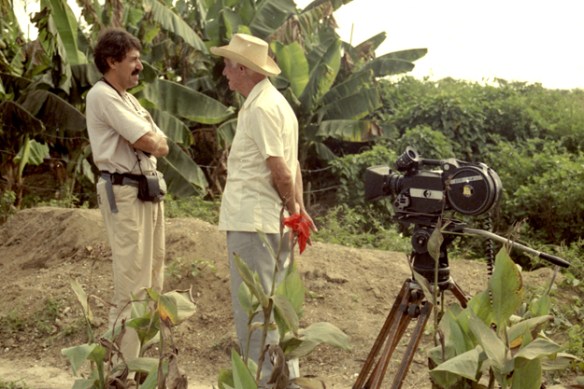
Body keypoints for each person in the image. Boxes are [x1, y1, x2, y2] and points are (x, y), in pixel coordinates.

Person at [211, 33, 317, 386]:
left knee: (256, 314)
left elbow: (281, 170)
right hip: (269, 223)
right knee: (278, 310)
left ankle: (266, 382)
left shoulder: (260, 108)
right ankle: (286, 381)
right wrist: (297, 211)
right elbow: (293, 166)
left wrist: (294, 211)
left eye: (228, 65)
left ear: (243, 68)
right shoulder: (277, 104)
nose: (225, 72)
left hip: (254, 224)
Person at [86, 27, 169, 366]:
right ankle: (119, 370)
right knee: (132, 285)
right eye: (133, 60)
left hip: (145, 191)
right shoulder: (102, 95)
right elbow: (150, 141)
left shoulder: (128, 98)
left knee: (152, 279)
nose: (140, 66)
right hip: (124, 191)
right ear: (112, 61)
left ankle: (135, 365)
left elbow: (160, 141)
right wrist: (152, 140)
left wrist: (153, 141)